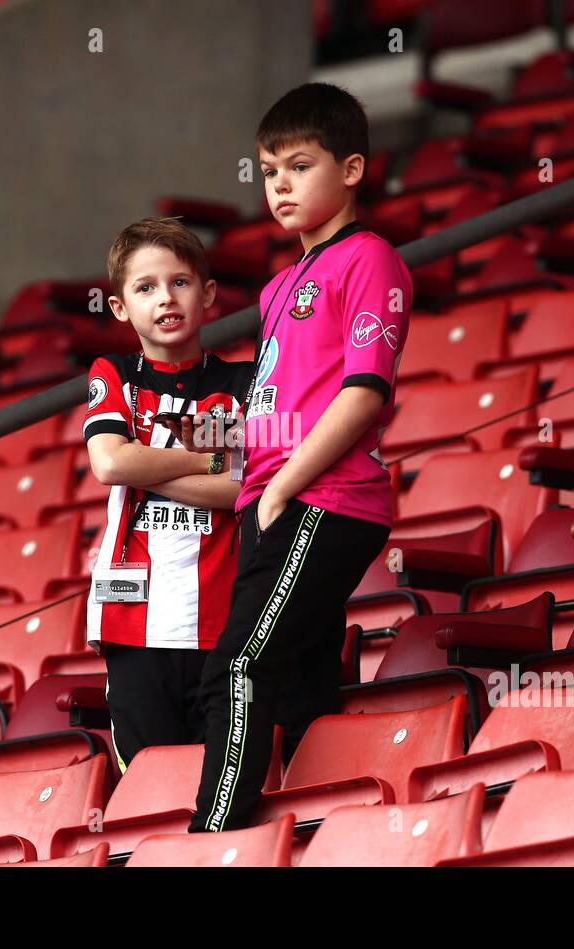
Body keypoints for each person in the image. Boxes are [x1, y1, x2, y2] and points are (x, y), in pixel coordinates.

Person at [184, 82, 414, 832]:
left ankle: (210, 837)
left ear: (350, 170)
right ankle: (317, 839)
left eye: (299, 166)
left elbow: (364, 391)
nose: (279, 185)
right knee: (295, 688)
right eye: (268, 171)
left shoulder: (370, 258)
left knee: (238, 668)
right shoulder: (281, 283)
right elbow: (278, 400)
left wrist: (283, 483)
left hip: (325, 497)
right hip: (274, 498)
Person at [82, 217, 253, 772]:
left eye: (180, 282)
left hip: (223, 623)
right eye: (145, 287)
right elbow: (109, 462)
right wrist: (208, 455)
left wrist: (144, 463)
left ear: (206, 294)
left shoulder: (241, 384)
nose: (165, 298)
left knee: (219, 788)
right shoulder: (116, 374)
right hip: (130, 620)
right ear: (120, 308)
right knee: (150, 788)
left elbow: (246, 485)